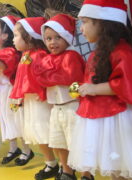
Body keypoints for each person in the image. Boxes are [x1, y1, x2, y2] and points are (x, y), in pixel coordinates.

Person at [68, 0, 132, 179]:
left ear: (103, 23)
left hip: (117, 119)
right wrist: (83, 91)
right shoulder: (97, 53)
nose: (81, 29)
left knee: (122, 165)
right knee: (113, 166)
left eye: (85, 22)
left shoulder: (121, 52)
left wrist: (93, 88)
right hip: (100, 117)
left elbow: (127, 84)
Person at [34, 13, 85, 180]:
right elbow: (40, 79)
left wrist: (79, 100)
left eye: (57, 37)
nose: (52, 42)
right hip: (56, 108)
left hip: (72, 106)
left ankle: (86, 172)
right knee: (59, 143)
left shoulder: (72, 56)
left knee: (77, 142)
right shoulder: (46, 60)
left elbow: (75, 80)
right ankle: (67, 171)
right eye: (48, 39)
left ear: (67, 38)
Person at [0, 15, 34, 166]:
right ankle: (13, 147)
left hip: (11, 90)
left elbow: (6, 68)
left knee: (16, 119)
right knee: (5, 119)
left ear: (5, 35)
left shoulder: (10, 52)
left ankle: (26, 150)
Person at [10, 17, 58, 179]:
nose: (13, 39)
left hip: (40, 100)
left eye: (16, 35)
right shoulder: (26, 55)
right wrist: (21, 97)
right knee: (38, 131)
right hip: (31, 99)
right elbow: (24, 79)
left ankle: (60, 164)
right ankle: (50, 162)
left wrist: (42, 92)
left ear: (29, 36)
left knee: (46, 131)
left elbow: (45, 78)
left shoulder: (39, 55)